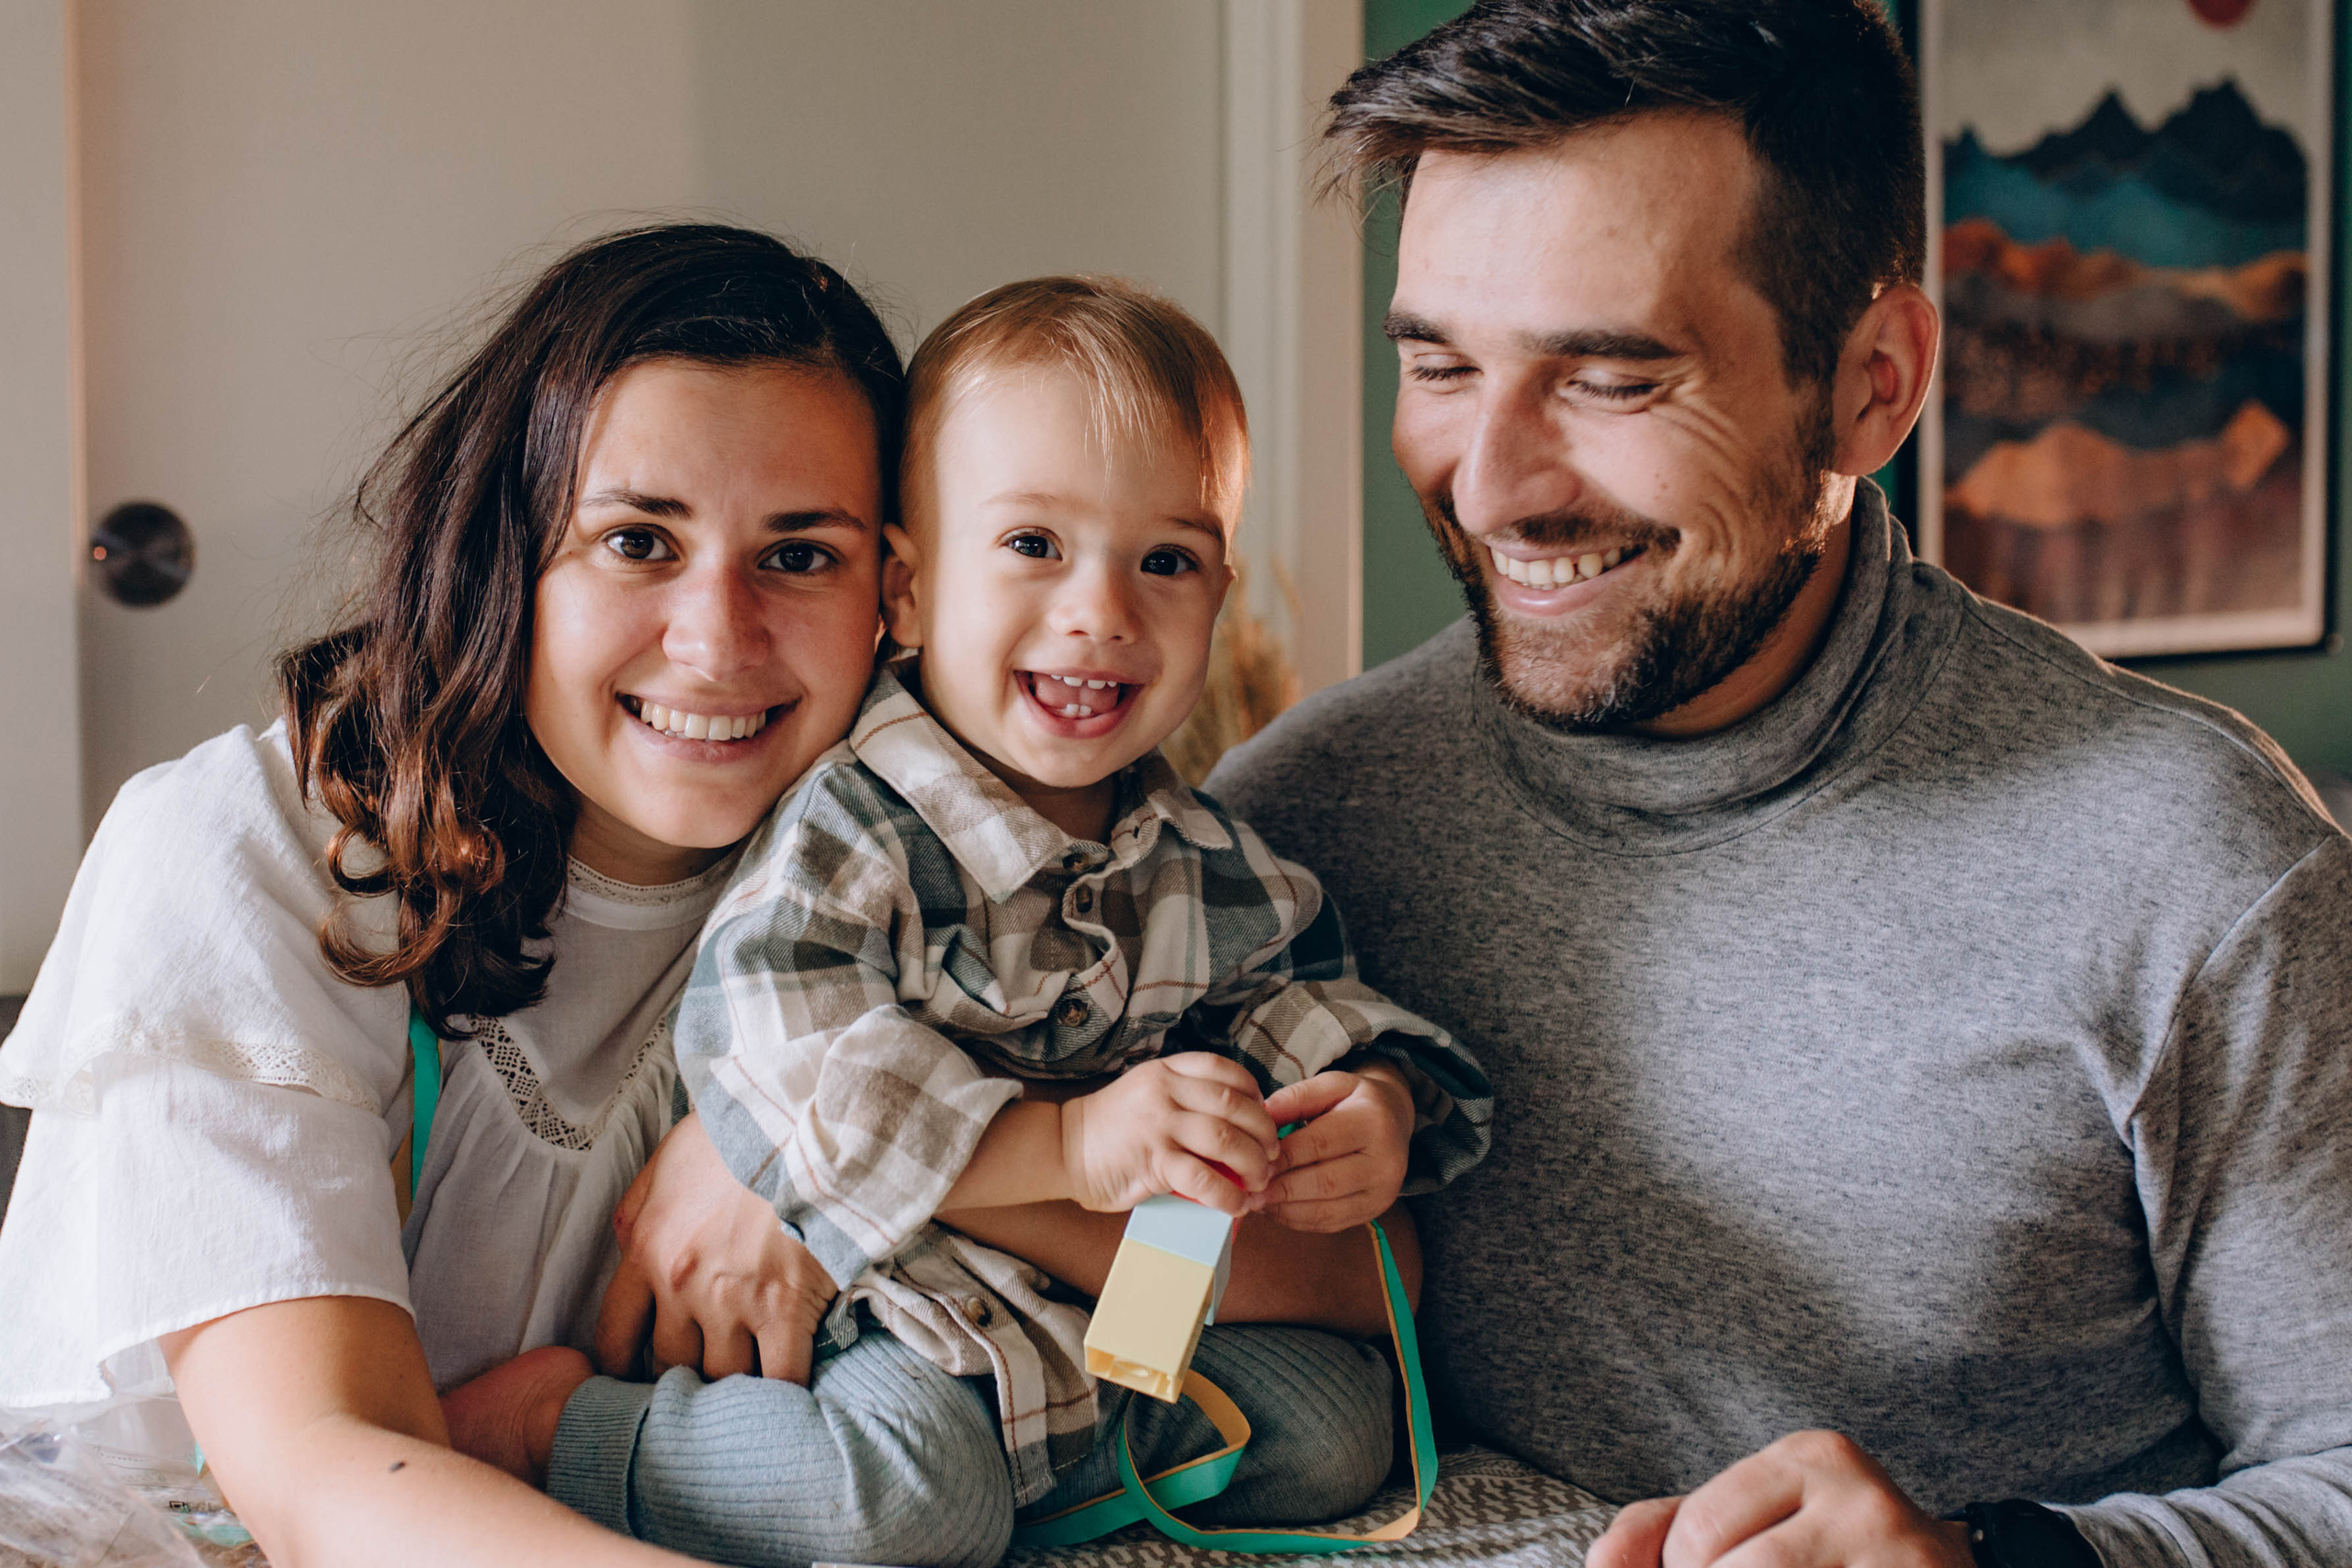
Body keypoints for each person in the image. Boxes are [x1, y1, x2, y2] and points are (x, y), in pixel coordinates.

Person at [0, 226, 1403, 1568]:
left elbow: (1354, 1279)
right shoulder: (249, 850)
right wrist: (839, 1150)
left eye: (800, 555)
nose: (717, 640)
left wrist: (785, 1158)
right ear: (511, 556)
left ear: (892, 592)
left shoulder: (889, 867)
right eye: (638, 541)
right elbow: (323, 1475)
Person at [1208, 4, 2352, 1567]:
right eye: (1440, 364)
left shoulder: (2195, 869)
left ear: (1875, 382)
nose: (1489, 486)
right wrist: (750, 1145)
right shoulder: (1290, 827)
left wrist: (1977, 1560)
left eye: (1610, 378)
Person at [504, 276, 1493, 1552]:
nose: (1102, 613)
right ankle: (557, 1432)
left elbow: (1317, 1011)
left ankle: (1043, 1484)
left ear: (1220, 594)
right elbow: (788, 1059)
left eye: (1168, 562)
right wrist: (1072, 1146)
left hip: (1111, 1305)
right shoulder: (853, 827)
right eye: (1034, 546)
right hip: (893, 1313)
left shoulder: (1213, 860)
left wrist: (1376, 1110)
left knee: (1338, 1432)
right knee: (910, 1496)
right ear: (905, 594)